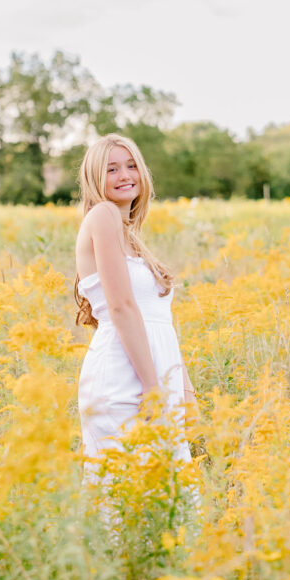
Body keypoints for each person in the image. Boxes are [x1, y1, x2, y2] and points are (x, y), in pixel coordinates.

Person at [74, 133, 196, 479]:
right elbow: (122, 308)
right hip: (127, 379)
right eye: (111, 169)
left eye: (131, 166)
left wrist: (184, 389)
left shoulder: (131, 237)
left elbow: (160, 321)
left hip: (154, 376)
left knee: (168, 498)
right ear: (95, 179)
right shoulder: (103, 217)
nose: (125, 175)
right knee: (126, 495)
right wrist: (153, 387)